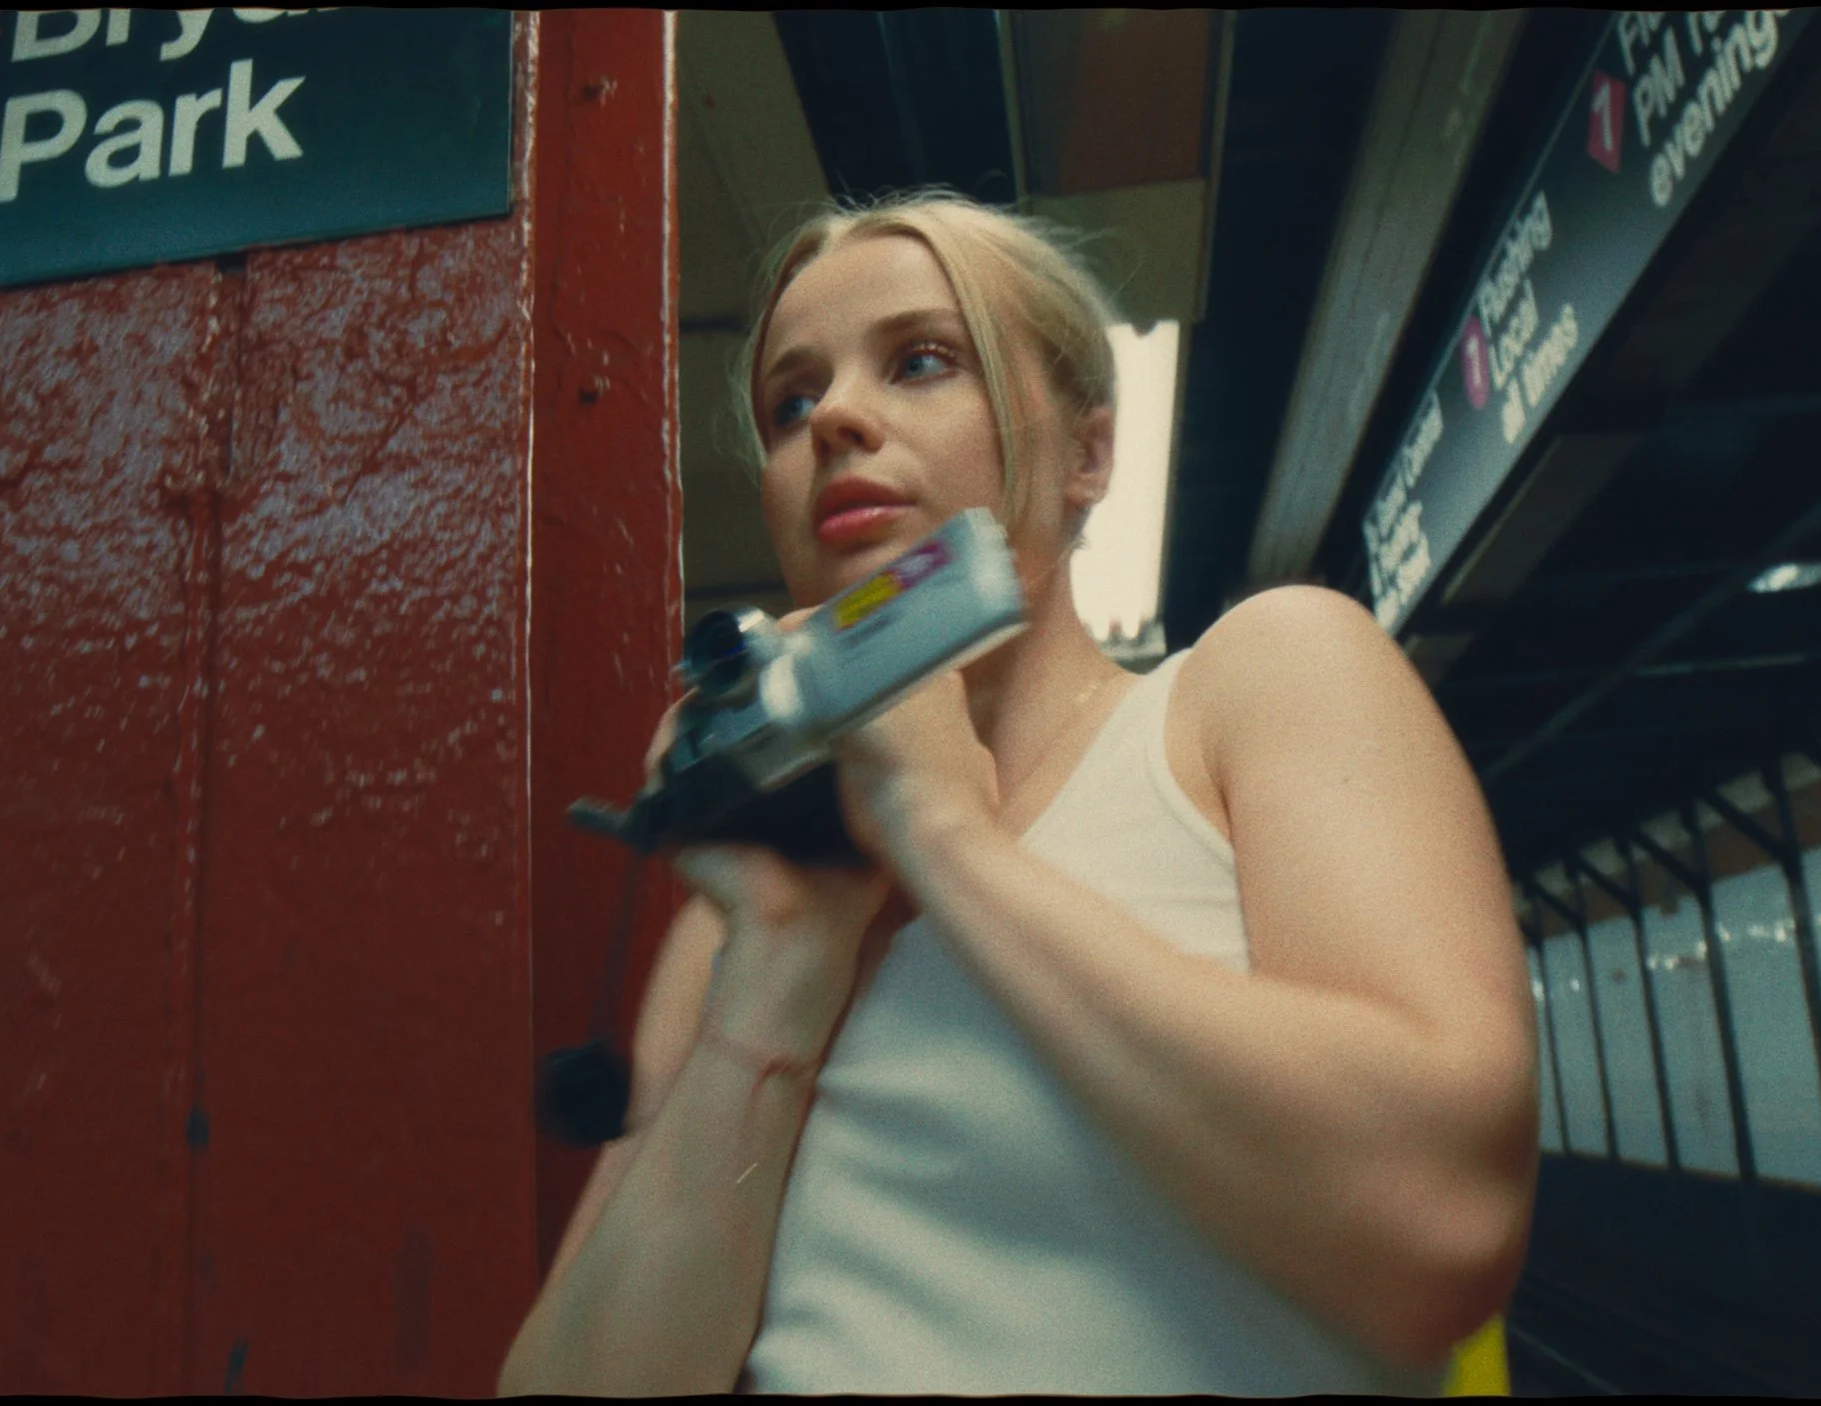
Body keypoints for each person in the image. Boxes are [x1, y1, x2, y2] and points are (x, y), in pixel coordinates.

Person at [497, 189, 1538, 1396]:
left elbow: (1441, 1226)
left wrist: (941, 833)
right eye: (790, 401)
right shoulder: (747, 910)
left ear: (1087, 454)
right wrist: (785, 952)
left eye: (920, 361)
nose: (832, 418)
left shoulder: (1254, 686)